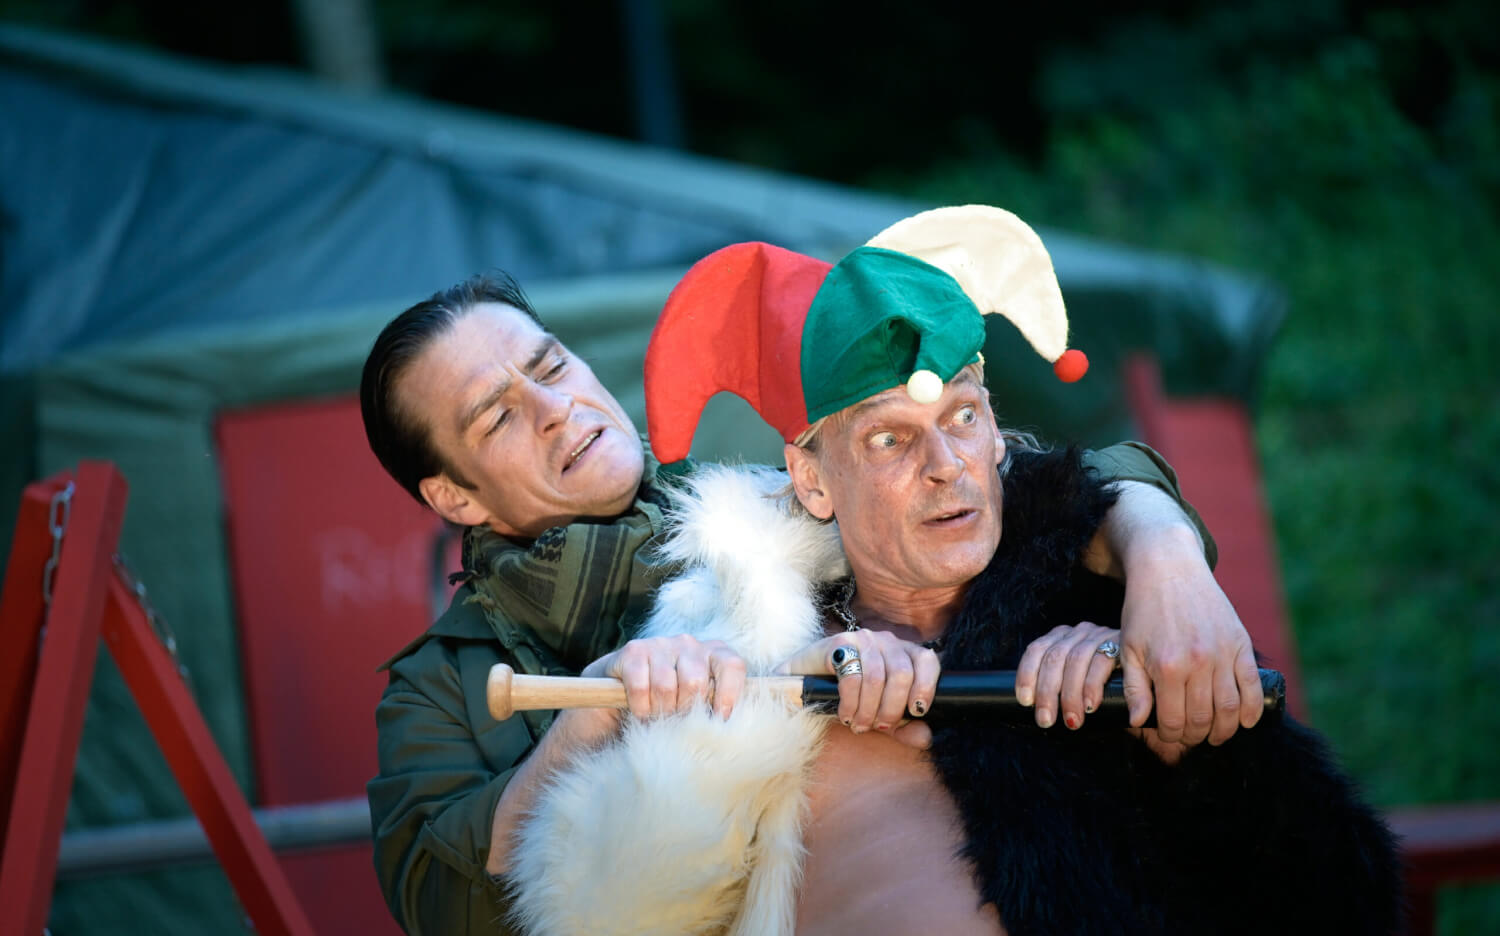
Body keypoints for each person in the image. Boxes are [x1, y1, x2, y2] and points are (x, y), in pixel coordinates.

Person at [498, 205, 1400, 935]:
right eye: (890, 440)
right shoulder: (741, 643)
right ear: (812, 479)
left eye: (963, 419)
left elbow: (1333, 901)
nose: (946, 467)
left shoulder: (1111, 607)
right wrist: (768, 704)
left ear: (997, 427)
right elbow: (595, 911)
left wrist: (1176, 737)